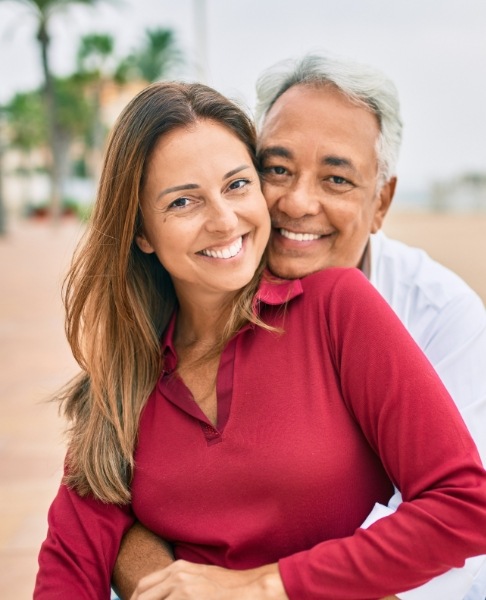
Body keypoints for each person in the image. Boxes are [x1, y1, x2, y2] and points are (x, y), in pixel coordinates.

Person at [34, 80, 486, 600]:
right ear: (141, 233)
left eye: (236, 185)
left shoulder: (339, 307)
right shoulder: (127, 369)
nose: (224, 221)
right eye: (183, 202)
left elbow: (463, 506)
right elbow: (71, 561)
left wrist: (265, 585)